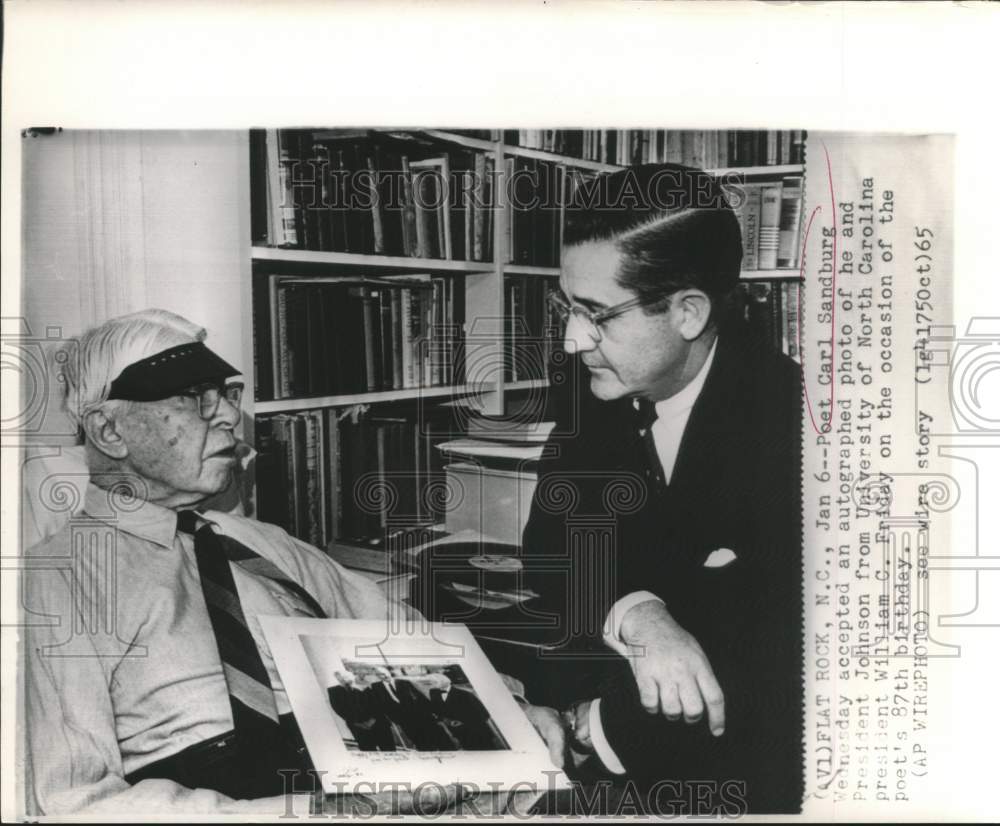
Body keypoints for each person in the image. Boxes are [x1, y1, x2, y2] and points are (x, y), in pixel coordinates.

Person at [21, 308, 564, 816]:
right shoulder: (60, 580)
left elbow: (406, 638)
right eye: (194, 397)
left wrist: (512, 708)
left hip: (389, 774)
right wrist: (308, 813)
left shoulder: (261, 544)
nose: (231, 415)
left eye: (228, 393)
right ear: (109, 431)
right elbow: (79, 802)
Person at [519, 164, 803, 814]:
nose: (570, 340)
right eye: (568, 308)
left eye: (597, 315)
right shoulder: (598, 388)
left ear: (688, 312)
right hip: (598, 736)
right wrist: (641, 612)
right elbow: (549, 550)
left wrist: (592, 728)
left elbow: (773, 657)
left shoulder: (796, 424)